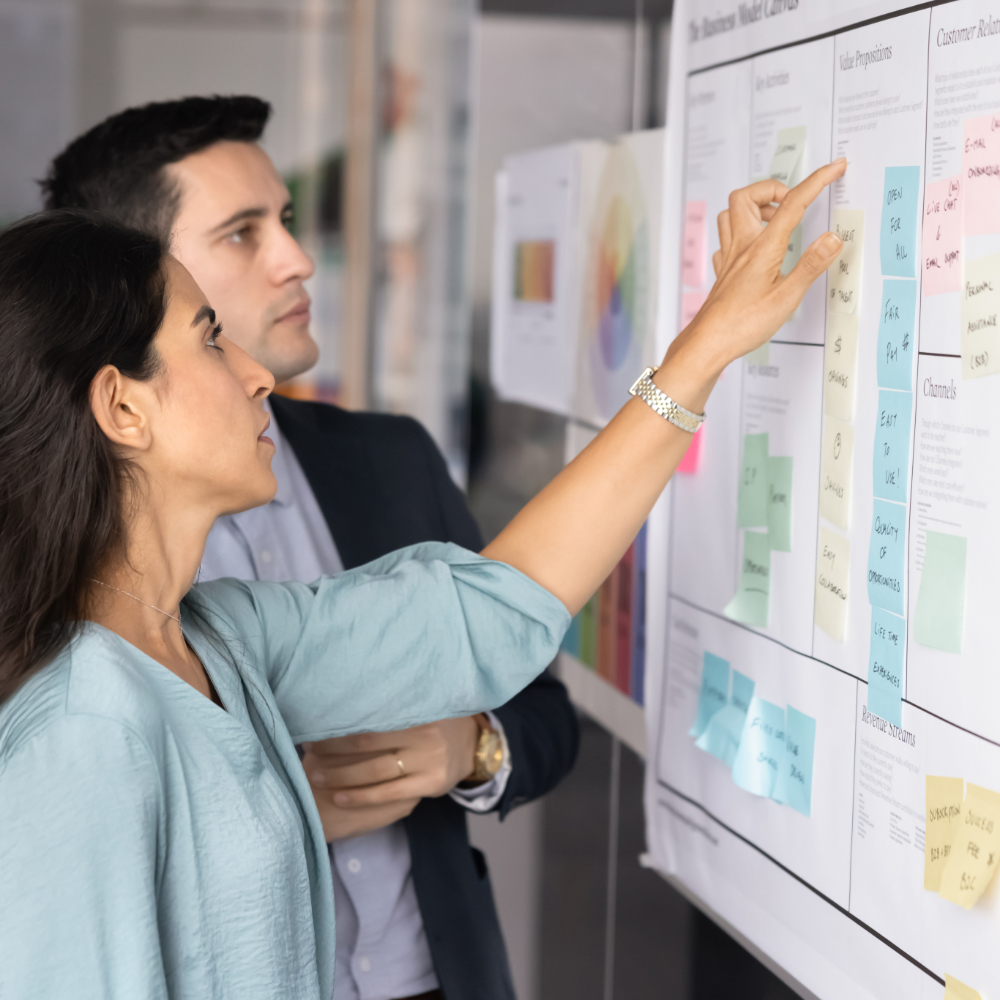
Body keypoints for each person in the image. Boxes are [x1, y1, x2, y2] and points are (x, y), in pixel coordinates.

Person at [0, 155, 847, 1000]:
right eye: (210, 340)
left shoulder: (219, 639)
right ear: (122, 409)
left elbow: (491, 610)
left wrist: (704, 349)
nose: (256, 373)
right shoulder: (76, 740)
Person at [41, 95, 579, 1000]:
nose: (297, 260)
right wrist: (270, 809)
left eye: (285, 221)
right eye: (244, 234)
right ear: (134, 277)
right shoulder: (77, 600)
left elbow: (528, 675)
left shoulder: (390, 458)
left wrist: (474, 752)